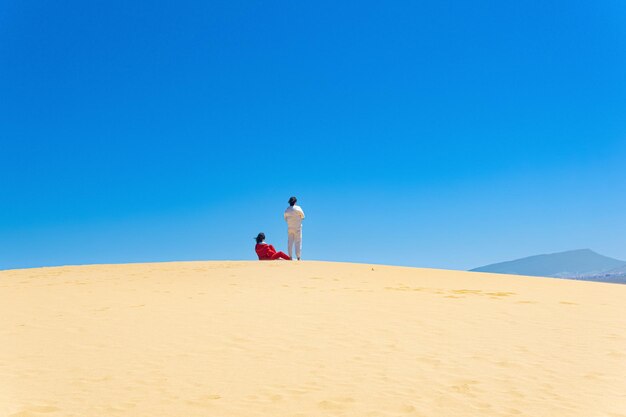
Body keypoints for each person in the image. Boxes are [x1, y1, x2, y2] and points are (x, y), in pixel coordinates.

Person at [284, 196, 305, 260]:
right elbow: (303, 216)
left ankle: (290, 256)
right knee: (298, 242)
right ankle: (298, 257)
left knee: (290, 242)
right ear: (295, 202)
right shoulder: (298, 208)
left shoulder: (287, 210)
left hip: (290, 228)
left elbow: (285, 218)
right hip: (297, 228)